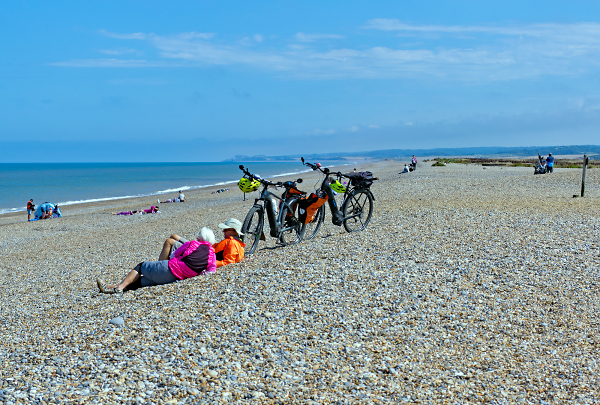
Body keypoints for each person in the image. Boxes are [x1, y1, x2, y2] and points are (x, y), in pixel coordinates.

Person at [97, 227, 217, 294]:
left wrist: (169, 262)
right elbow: (210, 272)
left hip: (170, 269)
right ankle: (110, 287)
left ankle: (119, 287)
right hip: (176, 278)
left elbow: (174, 254)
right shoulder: (212, 255)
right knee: (142, 281)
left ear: (199, 237)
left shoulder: (193, 244)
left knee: (141, 266)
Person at [159, 218, 245, 269]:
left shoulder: (232, 243)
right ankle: (165, 262)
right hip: (204, 248)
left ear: (234, 231)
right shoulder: (232, 241)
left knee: (169, 242)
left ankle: (159, 267)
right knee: (174, 236)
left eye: (226, 229)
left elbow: (228, 262)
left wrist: (208, 263)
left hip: (201, 254)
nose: (223, 231)